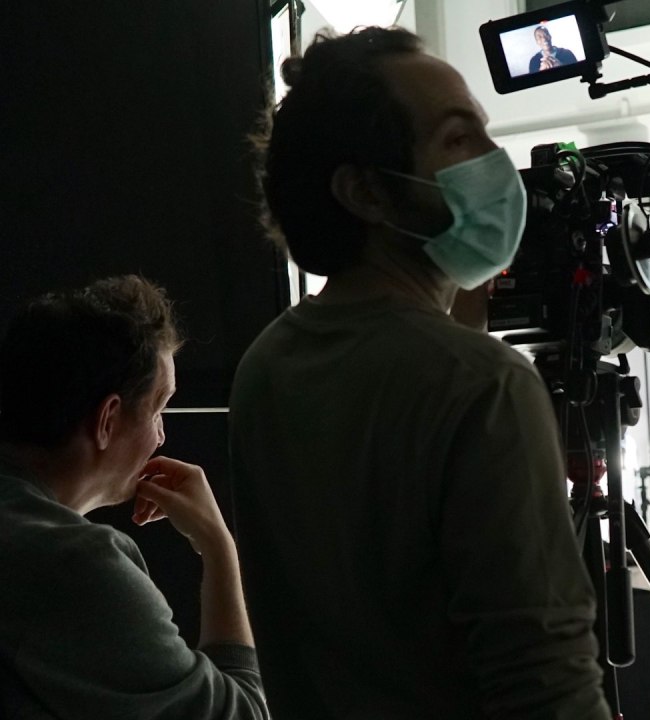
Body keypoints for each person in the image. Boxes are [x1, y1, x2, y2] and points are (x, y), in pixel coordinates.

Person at [231, 27, 609, 719]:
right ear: (366, 193)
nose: (499, 163)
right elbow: (544, 678)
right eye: (459, 141)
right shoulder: (482, 384)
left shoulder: (267, 364)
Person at [0, 275, 268, 719]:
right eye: (159, 406)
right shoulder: (75, 567)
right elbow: (242, 714)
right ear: (108, 419)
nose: (162, 436)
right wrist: (220, 550)